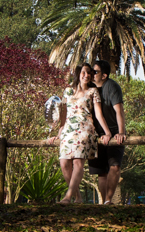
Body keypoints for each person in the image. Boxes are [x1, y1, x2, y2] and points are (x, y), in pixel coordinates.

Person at [45, 63, 111, 204]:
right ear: (78, 74)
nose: (86, 75)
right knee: (64, 163)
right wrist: (60, 131)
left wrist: (108, 132)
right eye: (83, 72)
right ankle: (77, 197)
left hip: (85, 128)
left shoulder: (93, 92)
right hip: (69, 129)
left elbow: (98, 114)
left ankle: (68, 197)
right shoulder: (67, 91)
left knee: (77, 161)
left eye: (89, 73)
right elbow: (63, 114)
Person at [89, 59, 126, 204]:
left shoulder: (112, 87)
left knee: (115, 166)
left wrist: (121, 132)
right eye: (92, 71)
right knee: (101, 172)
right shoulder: (90, 87)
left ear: (104, 75)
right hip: (97, 135)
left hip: (114, 132)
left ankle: (109, 201)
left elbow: (119, 110)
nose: (92, 74)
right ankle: (104, 203)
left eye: (95, 72)